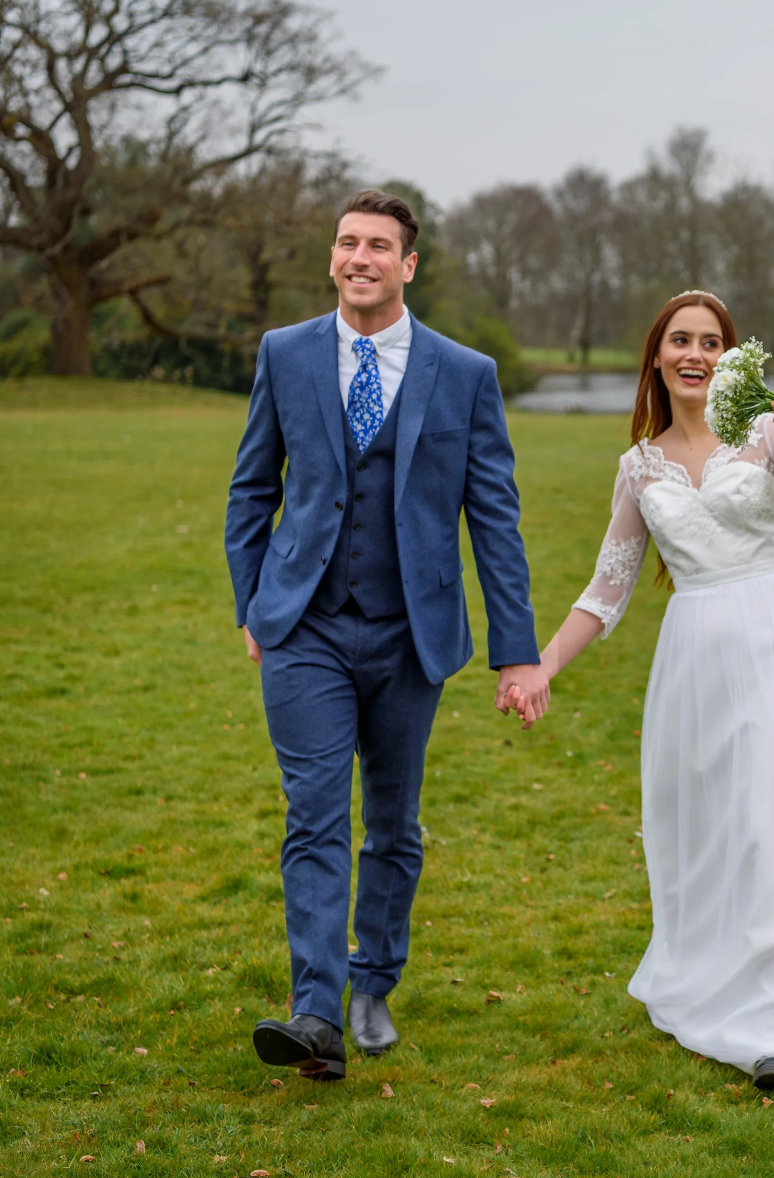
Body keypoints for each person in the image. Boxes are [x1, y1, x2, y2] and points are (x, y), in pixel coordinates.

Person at [224, 190, 548, 1081]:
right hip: (305, 630)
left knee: (393, 823)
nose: (359, 256)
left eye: (379, 245)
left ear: (409, 265)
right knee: (317, 816)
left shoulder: (464, 372)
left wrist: (516, 648)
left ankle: (373, 982)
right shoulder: (285, 354)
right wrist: (253, 601)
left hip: (413, 634)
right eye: (346, 242)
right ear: (332, 259)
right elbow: (253, 488)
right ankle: (317, 1014)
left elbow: (495, 519)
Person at [534, 291, 774, 1090]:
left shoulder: (766, 433)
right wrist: (539, 667)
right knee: (715, 832)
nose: (695, 353)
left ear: (729, 357)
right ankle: (723, 984)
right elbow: (605, 593)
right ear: (656, 357)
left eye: (711, 341)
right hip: (694, 663)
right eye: (680, 339)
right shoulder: (639, 468)